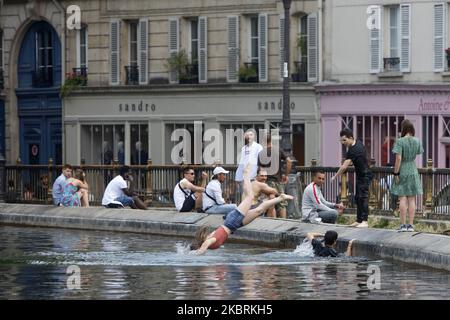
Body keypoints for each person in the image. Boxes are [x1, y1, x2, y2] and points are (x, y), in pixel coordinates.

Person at [192, 165, 294, 254]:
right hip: (233, 226)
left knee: (250, 196)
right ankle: (280, 198)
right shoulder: (209, 241)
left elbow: (203, 247)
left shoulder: (209, 241)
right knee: (259, 211)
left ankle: (246, 174)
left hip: (231, 221)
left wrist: (195, 254)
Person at [332, 129, 373, 228]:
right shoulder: (357, 144)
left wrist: (335, 176)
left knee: (363, 197)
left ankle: (365, 221)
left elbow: (344, 166)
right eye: (341, 141)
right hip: (360, 175)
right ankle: (359, 220)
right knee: (358, 197)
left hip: (365, 175)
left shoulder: (354, 149)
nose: (343, 143)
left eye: (344, 140)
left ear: (350, 138)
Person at [391, 119, 424, 232]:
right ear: (412, 129)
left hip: (403, 170)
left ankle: (403, 225)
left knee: (402, 199)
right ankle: (411, 225)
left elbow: (398, 158)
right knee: (412, 199)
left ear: (403, 129)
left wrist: (396, 173)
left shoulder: (399, 141)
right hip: (413, 170)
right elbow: (419, 152)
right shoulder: (417, 141)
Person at [258, 134, 293, 218]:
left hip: (268, 181)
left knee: (271, 202)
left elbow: (261, 169)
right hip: (279, 180)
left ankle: (271, 224)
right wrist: (286, 175)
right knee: (282, 203)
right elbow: (289, 161)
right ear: (271, 141)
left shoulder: (261, 153)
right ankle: (284, 224)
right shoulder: (278, 150)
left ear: (263, 142)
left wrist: (261, 180)